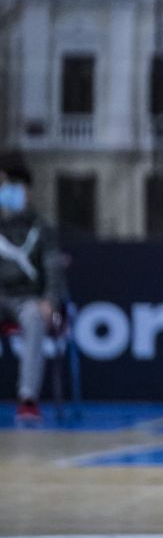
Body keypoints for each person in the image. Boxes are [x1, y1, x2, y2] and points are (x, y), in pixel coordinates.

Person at [0, 162, 62, 425]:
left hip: (28, 300)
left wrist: (50, 300)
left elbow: (53, 269)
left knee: (35, 318)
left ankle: (27, 399)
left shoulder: (41, 228)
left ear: (27, 192)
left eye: (14, 188)